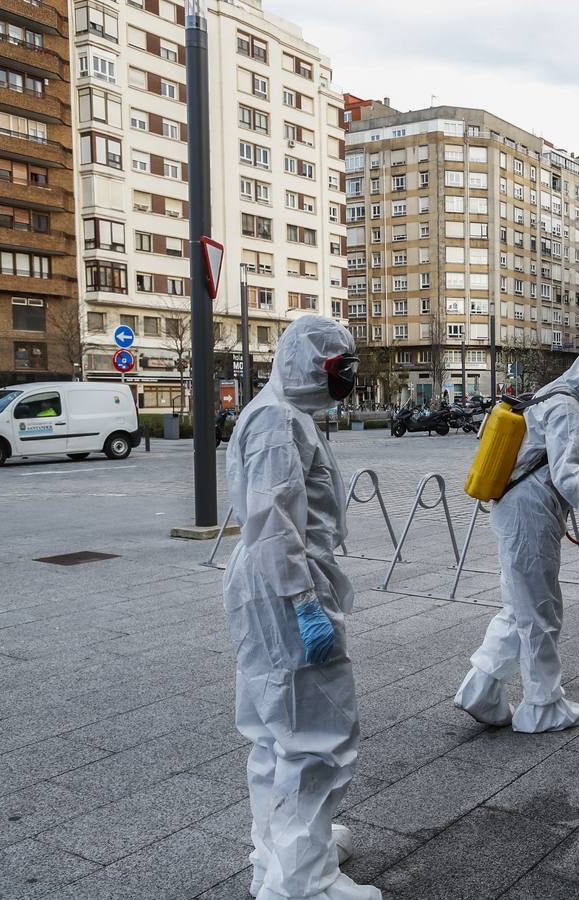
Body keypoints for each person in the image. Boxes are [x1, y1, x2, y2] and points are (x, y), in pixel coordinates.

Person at [223, 315, 381, 900]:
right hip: (285, 586)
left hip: (273, 583)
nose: (343, 383)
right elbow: (274, 524)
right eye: (338, 371)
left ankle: (280, 853)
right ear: (310, 365)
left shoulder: (281, 414)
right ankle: (304, 884)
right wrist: (304, 602)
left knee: (273, 732)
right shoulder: (277, 422)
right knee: (317, 734)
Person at [455, 338, 579, 733]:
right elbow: (567, 475)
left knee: (519, 607)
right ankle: (542, 707)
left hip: (518, 511)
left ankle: (482, 691)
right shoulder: (564, 405)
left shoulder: (553, 394)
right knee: (542, 612)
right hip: (530, 515)